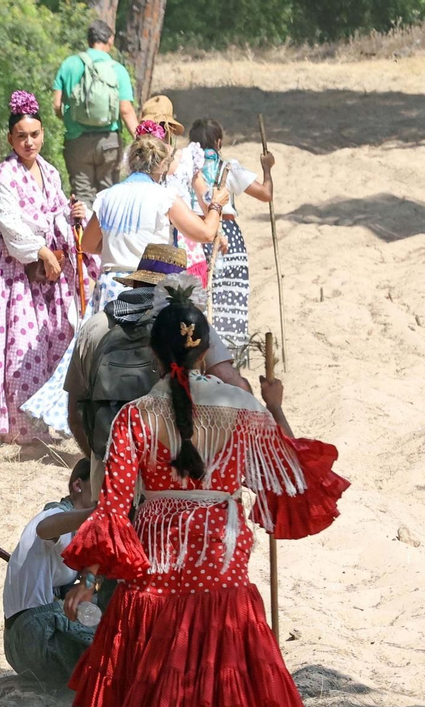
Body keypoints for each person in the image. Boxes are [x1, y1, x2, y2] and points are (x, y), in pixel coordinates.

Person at [59, 291, 348, 707]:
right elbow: (289, 470)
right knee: (211, 678)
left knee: (163, 677)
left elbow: (113, 505)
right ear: (204, 349)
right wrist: (275, 402)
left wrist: (92, 577)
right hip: (220, 560)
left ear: (154, 351)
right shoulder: (244, 412)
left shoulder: (134, 418)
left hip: (157, 562)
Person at [21, 134, 228, 433]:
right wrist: (216, 205)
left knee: (99, 360)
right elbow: (206, 233)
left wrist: (120, 240)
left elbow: (90, 244)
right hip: (148, 284)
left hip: (108, 286)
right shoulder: (164, 197)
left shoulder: (107, 196)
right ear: (160, 167)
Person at [62, 244, 251, 502]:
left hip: (111, 484)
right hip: (176, 483)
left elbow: (75, 415)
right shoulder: (190, 326)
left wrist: (100, 460)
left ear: (136, 283)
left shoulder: (95, 326)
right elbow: (236, 388)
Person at [0, 91, 93, 441]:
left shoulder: (50, 172)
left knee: (54, 337)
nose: (29, 142)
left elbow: (57, 211)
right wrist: (41, 252)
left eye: (34, 135)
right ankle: (16, 427)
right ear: (10, 139)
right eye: (21, 136)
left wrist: (74, 214)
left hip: (52, 271)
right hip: (15, 270)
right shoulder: (4, 175)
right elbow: (10, 224)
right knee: (18, 345)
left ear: (43, 134)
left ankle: (48, 418)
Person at [2, 460, 98, 691]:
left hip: (19, 646)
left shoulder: (75, 533)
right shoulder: (56, 514)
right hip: (37, 636)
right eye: (101, 487)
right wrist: (98, 514)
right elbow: (45, 528)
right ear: (78, 485)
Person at [185, 117, 275, 355]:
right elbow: (266, 194)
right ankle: (227, 355)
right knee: (228, 293)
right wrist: (267, 167)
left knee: (197, 294)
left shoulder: (187, 169)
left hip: (193, 232)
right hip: (227, 234)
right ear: (219, 142)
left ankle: (195, 350)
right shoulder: (228, 168)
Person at [52, 18, 139, 204]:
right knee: (109, 197)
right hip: (109, 142)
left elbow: (57, 106)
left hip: (77, 141)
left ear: (89, 40)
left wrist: (70, 120)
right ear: (110, 40)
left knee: (82, 198)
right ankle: (105, 233)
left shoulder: (69, 64)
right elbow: (125, 110)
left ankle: (84, 232)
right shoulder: (118, 70)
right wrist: (141, 139)